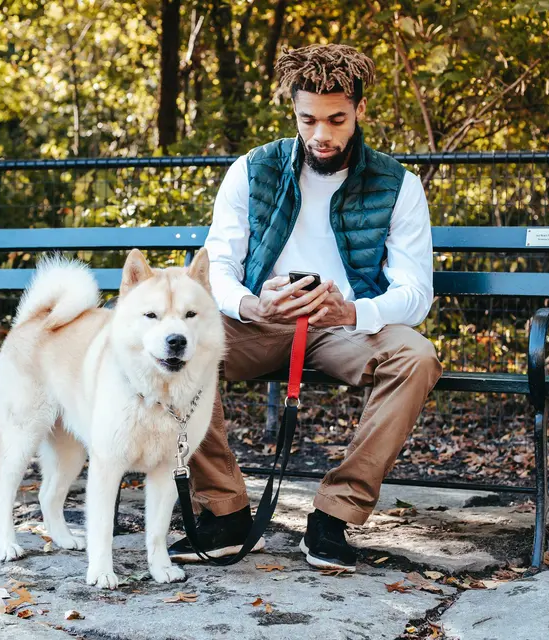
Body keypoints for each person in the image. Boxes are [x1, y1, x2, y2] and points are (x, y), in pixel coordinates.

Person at [169, 44, 442, 572]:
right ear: (292, 111)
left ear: (360, 111)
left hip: (345, 326)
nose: (321, 133)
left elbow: (415, 293)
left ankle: (334, 517)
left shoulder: (399, 186)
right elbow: (217, 267)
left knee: (417, 357)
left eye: (336, 118)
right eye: (308, 119)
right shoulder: (253, 170)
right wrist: (252, 303)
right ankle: (224, 514)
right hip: (260, 322)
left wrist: (353, 312)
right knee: (179, 351)